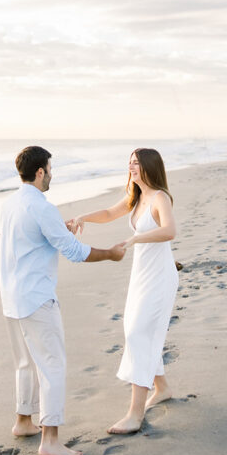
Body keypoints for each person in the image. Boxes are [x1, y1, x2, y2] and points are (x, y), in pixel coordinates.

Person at [0, 145, 126, 455]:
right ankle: (50, 440)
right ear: (40, 171)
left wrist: (60, 230)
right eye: (50, 170)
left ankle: (23, 421)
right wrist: (111, 254)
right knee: (52, 365)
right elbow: (75, 252)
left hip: (11, 297)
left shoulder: (10, 204)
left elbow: (30, 240)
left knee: (25, 362)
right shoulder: (42, 207)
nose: (51, 176)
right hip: (36, 298)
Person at [68, 147, 178, 435]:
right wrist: (82, 217)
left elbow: (170, 231)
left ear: (150, 167)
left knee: (138, 333)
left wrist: (135, 239)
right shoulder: (137, 196)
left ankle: (134, 414)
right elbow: (108, 213)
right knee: (136, 329)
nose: (131, 167)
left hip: (160, 276)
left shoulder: (160, 197)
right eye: (130, 162)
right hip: (142, 274)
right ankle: (162, 388)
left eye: (136, 163)